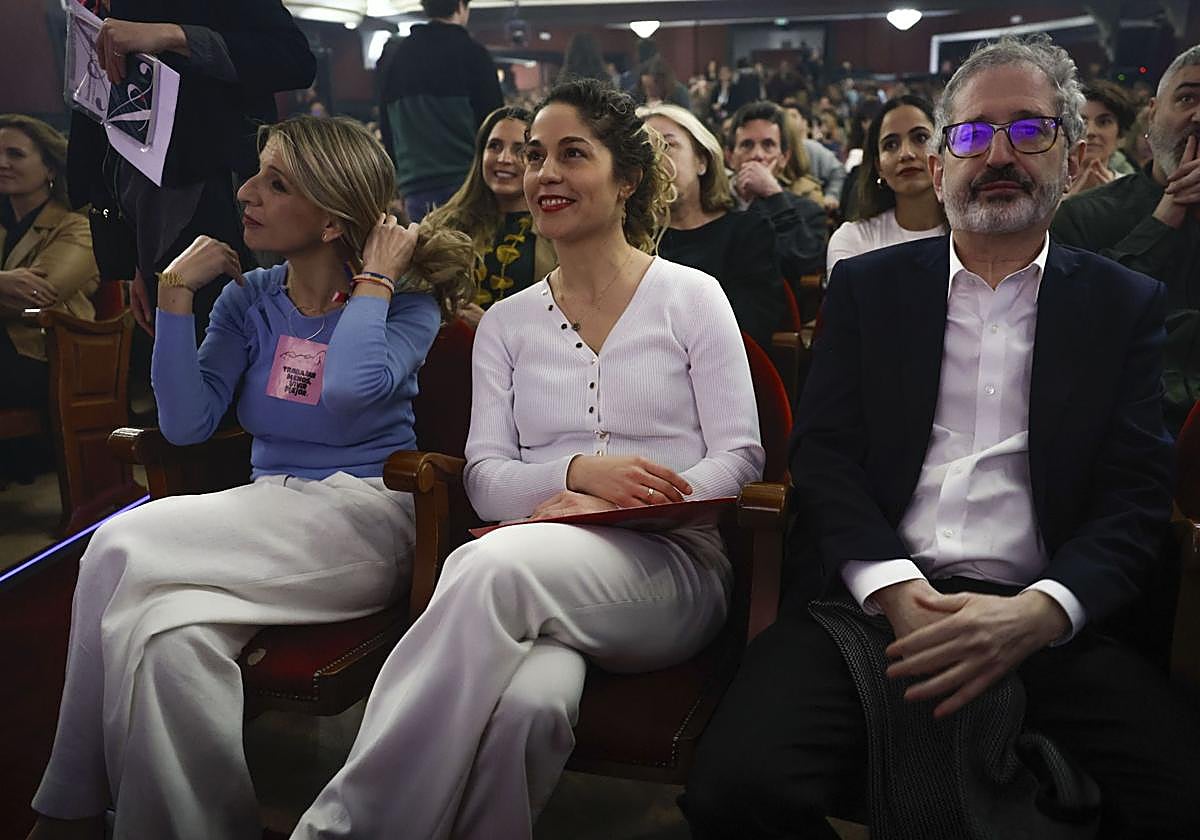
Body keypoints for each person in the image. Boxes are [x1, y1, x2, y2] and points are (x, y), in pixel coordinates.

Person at [684, 34, 1200, 839]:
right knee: (733, 790)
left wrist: (1042, 611)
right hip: (870, 602)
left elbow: (1135, 493)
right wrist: (894, 589)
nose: (998, 154)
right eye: (971, 134)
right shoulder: (870, 288)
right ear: (937, 167)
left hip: (1046, 618)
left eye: (1029, 130)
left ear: (1072, 159)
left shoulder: (1120, 303)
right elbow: (824, 456)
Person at [290, 78, 764, 840]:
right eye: (537, 155)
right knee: (529, 708)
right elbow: (484, 479)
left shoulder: (692, 296)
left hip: (672, 570)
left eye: (572, 154)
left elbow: (740, 457)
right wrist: (574, 474)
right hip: (536, 567)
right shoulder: (508, 323)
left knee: (486, 568)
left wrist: (622, 502)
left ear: (627, 179)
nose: (545, 173)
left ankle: (344, 830)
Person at [26, 115, 474, 840]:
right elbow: (187, 425)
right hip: (265, 512)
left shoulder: (405, 304)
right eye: (257, 174)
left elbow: (350, 391)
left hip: (366, 518)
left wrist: (375, 281)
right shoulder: (250, 298)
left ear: (332, 219)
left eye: (277, 183)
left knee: (115, 544)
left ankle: (68, 808)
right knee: (166, 641)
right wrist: (175, 295)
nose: (245, 192)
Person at [69, 0, 317, 339]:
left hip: (221, 198)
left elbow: (295, 59)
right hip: (147, 216)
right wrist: (135, 258)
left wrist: (173, 36)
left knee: (236, 347)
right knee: (175, 354)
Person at [1052, 44, 1200, 435]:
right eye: (1187, 98)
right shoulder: (1084, 217)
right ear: (1152, 113)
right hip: (1123, 438)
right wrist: (1163, 220)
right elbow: (1084, 330)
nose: (1199, 116)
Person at [0, 115, 99, 481]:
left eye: (15, 154)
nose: (2, 163)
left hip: (45, 356)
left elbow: (37, 296)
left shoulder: (78, 226)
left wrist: (11, 287)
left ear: (50, 169)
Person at [640, 102, 782, 352]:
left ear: (702, 161)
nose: (656, 159)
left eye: (668, 145)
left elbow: (751, 328)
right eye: (646, 150)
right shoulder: (632, 239)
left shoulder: (747, 232)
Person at [424, 106, 556, 327]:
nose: (504, 158)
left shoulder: (560, 229)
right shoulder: (443, 225)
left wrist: (489, 326)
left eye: (520, 150)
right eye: (494, 146)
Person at [377, 0, 504, 222]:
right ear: (461, 6)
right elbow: (495, 124)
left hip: (415, 185)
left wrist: (398, 178)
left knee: (429, 244)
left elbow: (387, 126)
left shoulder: (398, 57)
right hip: (468, 182)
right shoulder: (473, 54)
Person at [826, 95, 946, 276]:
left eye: (920, 138)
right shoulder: (853, 239)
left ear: (944, 149)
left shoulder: (973, 235)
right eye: (891, 145)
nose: (906, 154)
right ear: (879, 167)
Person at [726, 101, 828, 280]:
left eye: (768, 145)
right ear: (730, 157)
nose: (757, 155)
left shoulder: (807, 210)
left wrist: (773, 195)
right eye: (747, 145)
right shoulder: (709, 205)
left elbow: (807, 261)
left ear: (784, 158)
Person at [1066, 80, 1137, 195]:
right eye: (1082, 122)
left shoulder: (1132, 191)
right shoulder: (1048, 184)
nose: (1090, 132)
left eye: (1104, 122)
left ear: (1120, 134)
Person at [784, 104, 846, 213]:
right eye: (785, 117)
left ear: (804, 122)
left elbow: (838, 170)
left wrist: (832, 195)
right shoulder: (776, 149)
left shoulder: (811, 148)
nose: (788, 122)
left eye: (793, 116)